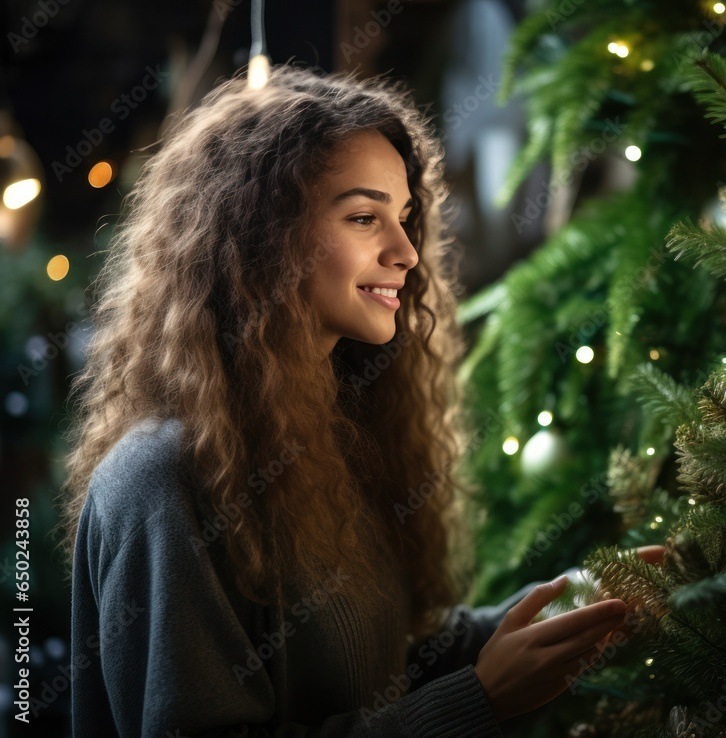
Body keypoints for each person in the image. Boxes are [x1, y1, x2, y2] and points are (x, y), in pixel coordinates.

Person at [57, 63, 663, 737]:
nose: (406, 251)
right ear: (261, 237)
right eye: (363, 217)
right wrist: (477, 701)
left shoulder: (337, 432)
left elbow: (386, 667)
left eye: (403, 218)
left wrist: (569, 608)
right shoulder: (163, 478)